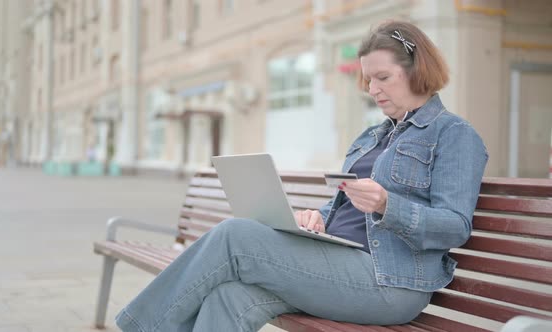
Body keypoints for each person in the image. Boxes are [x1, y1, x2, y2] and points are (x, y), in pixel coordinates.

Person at [115, 20, 488, 332]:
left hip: (390, 281)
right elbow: (342, 203)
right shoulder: (371, 136)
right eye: (367, 80)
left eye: (383, 77)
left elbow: (454, 226)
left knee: (235, 236)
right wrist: (319, 217)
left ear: (416, 69)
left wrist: (388, 204)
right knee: (229, 296)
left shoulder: (453, 134)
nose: (372, 90)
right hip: (336, 263)